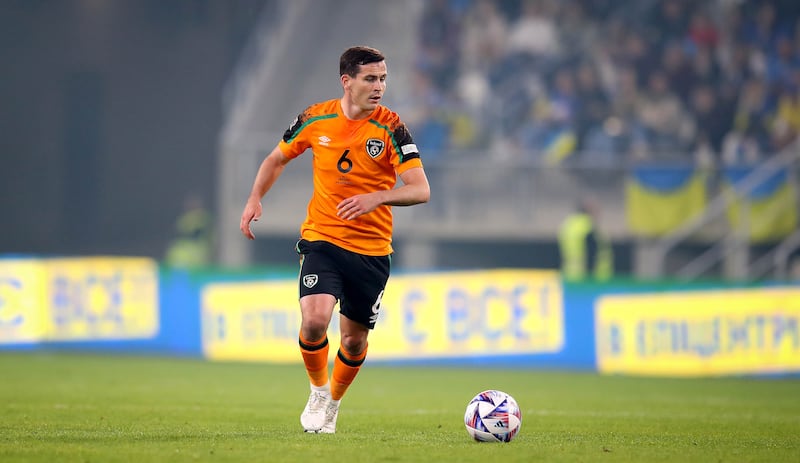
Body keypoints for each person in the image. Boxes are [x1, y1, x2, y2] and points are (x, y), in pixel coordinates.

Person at [239, 46, 430, 434]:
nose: (379, 87)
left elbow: (420, 189)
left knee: (353, 342)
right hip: (322, 239)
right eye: (370, 79)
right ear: (347, 81)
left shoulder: (392, 127)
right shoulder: (315, 117)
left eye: (383, 79)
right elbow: (276, 158)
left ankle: (334, 403)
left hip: (372, 251)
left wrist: (378, 196)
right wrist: (255, 197)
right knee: (313, 321)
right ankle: (317, 391)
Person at [558, 197, 613, 281]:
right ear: (589, 209)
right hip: (589, 278)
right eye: (596, 209)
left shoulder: (569, 224)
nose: (598, 213)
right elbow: (592, 253)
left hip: (570, 275)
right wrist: (591, 278)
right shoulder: (588, 226)